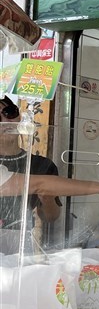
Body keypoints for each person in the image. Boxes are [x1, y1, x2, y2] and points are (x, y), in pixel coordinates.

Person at [0, 96, 60, 228]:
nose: (6, 121)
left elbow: (50, 218)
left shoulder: (43, 165)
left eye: (9, 112)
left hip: (21, 245)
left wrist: (47, 199)